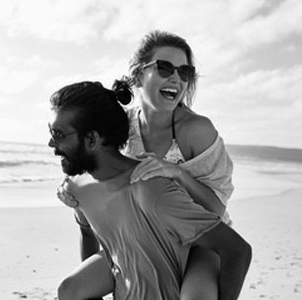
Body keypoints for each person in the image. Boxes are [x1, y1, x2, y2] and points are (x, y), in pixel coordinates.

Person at [60, 30, 236, 300]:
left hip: (199, 241)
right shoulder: (119, 127)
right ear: (139, 75)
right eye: (164, 68)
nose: (176, 78)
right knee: (70, 290)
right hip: (141, 237)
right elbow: (94, 173)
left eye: (185, 71)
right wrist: (71, 189)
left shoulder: (195, 130)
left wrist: (175, 173)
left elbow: (216, 209)